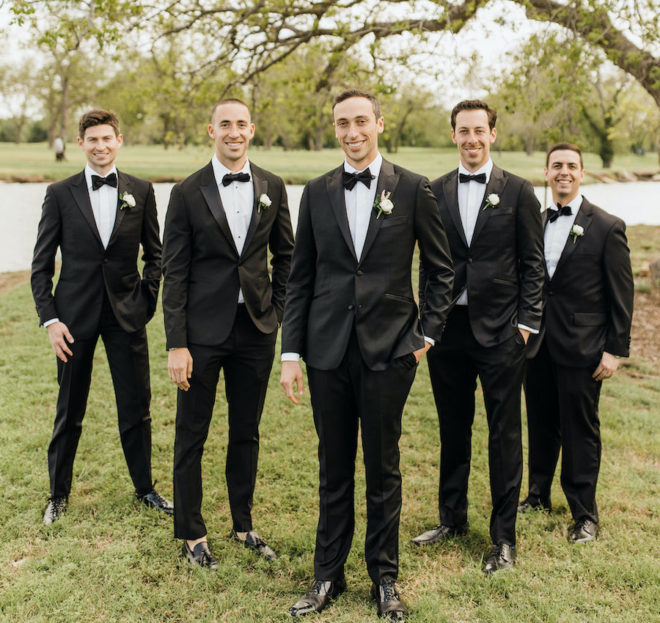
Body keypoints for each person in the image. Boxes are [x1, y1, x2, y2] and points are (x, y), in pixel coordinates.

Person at [280, 89, 454, 619]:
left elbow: (441, 271)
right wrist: (290, 352)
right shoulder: (316, 191)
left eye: (361, 121)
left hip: (389, 352)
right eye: (342, 124)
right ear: (334, 130)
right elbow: (301, 277)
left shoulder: (414, 189)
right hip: (326, 351)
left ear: (379, 122)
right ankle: (326, 577)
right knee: (333, 467)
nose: (352, 132)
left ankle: (385, 579)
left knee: (383, 469)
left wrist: (424, 337)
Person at [413, 100, 545, 574]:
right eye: (462, 132)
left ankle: (503, 538)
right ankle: (452, 518)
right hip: (448, 332)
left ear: (493, 134)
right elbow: (430, 262)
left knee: (504, 434)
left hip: (502, 333)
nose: (471, 139)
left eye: (478, 131)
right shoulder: (435, 190)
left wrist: (526, 324)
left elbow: (534, 265)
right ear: (453, 136)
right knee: (453, 426)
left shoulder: (520, 192)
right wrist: (428, 320)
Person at [162, 98, 294, 569]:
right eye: (225, 125)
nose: (233, 132)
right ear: (210, 130)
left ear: (252, 129)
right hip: (200, 335)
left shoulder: (273, 186)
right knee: (191, 433)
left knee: (247, 431)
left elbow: (287, 257)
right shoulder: (186, 192)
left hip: (256, 330)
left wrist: (275, 311)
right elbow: (173, 272)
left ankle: (243, 524)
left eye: (241, 124)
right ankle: (193, 534)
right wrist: (177, 343)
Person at [31, 109, 171, 525]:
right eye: (92, 139)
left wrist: (146, 300)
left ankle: (145, 487)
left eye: (107, 138)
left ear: (119, 140)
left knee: (136, 406)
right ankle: (57, 494)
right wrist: (50, 320)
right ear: (81, 144)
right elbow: (41, 266)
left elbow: (157, 254)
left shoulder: (141, 191)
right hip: (72, 321)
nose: (100, 146)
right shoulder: (59, 193)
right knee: (69, 409)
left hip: (127, 316)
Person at [518, 143, 634, 543]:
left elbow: (622, 294)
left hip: (583, 345)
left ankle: (584, 513)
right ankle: (537, 494)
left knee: (580, 427)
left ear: (582, 173)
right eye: (556, 166)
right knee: (541, 421)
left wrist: (615, 349)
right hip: (536, 343)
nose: (563, 172)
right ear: (546, 173)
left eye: (571, 166)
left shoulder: (606, 225)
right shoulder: (534, 219)